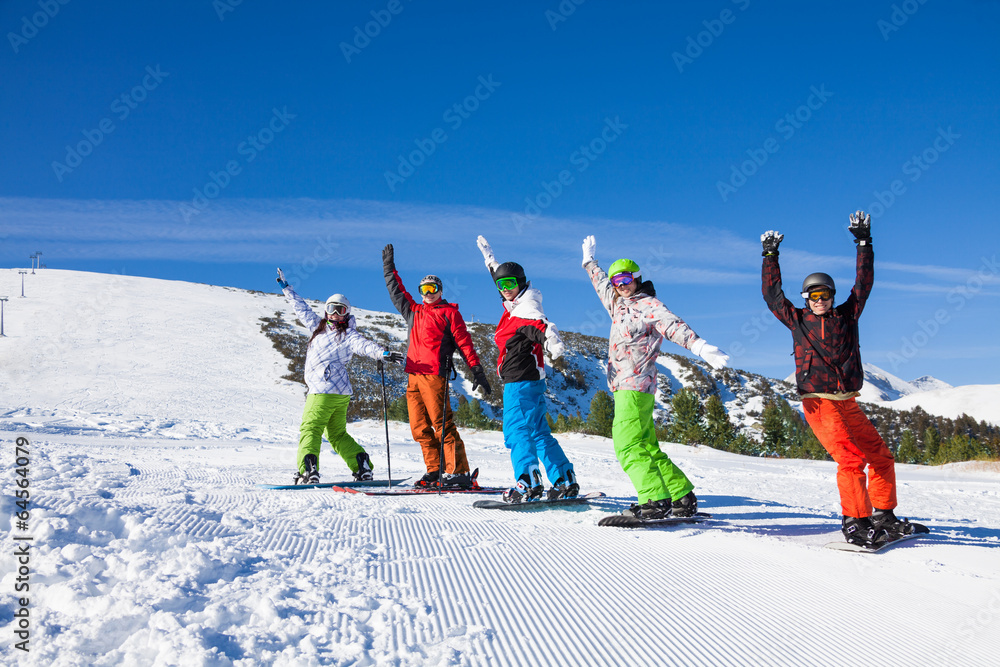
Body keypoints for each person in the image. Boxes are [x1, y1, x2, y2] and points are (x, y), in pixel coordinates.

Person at [761, 211, 927, 547]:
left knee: (879, 455)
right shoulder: (797, 320)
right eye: (813, 296)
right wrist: (770, 256)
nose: (820, 301)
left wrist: (864, 242)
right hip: (818, 401)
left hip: (846, 400)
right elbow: (772, 295)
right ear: (806, 299)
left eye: (825, 295)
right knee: (851, 459)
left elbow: (864, 284)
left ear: (833, 296)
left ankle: (884, 516)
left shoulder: (847, 315)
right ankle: (855, 521)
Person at [581, 235, 730, 519]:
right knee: (647, 445)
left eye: (625, 279)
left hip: (634, 385)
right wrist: (589, 262)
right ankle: (680, 494)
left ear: (636, 278)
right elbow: (601, 285)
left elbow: (672, 325)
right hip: (627, 386)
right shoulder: (617, 304)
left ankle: (654, 499)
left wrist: (698, 345)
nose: (621, 286)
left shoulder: (648, 305)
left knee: (627, 445)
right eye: (617, 282)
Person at [476, 236, 579, 503]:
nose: (505, 289)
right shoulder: (515, 305)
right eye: (501, 285)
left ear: (521, 284)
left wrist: (553, 343)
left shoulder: (526, 309)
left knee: (516, 430)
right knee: (537, 432)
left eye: (510, 284)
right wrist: (490, 261)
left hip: (519, 382)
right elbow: (502, 283)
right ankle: (564, 480)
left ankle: (528, 482)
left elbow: (543, 326)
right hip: (530, 381)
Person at [276, 268, 403, 485]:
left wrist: (382, 353)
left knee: (311, 428)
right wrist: (287, 289)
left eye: (340, 309)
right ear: (326, 311)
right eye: (331, 308)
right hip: (340, 394)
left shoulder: (348, 335)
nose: (335, 313)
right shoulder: (318, 326)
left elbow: (364, 346)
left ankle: (308, 470)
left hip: (322, 390)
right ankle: (361, 464)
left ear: (347, 313)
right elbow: (301, 308)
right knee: (336, 434)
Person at [382, 244, 492, 488]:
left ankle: (458, 472)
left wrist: (477, 370)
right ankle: (435, 470)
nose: (429, 292)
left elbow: (465, 344)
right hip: (413, 375)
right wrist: (388, 267)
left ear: (440, 291)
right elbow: (396, 291)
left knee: (442, 425)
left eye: (433, 288)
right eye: (424, 289)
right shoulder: (413, 310)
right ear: (420, 291)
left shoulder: (449, 313)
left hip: (434, 376)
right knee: (419, 428)